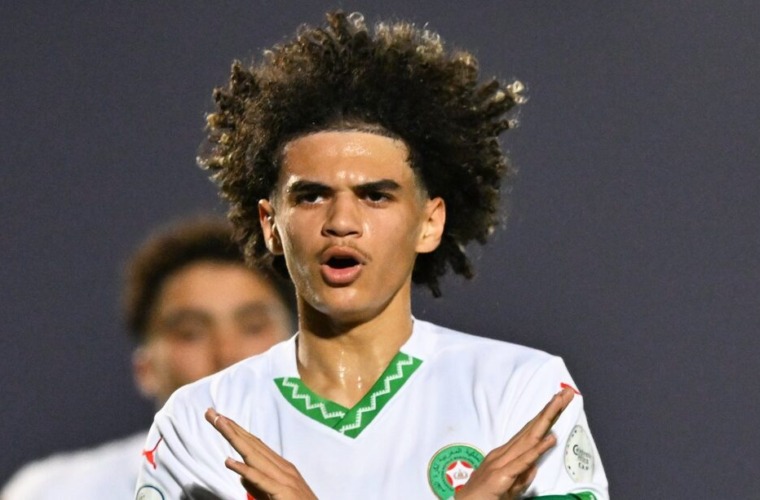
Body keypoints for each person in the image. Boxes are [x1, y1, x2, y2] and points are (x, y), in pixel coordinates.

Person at [136, 11, 609, 500]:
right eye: (311, 196)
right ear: (270, 225)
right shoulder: (198, 426)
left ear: (429, 223)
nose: (342, 221)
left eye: (375, 196)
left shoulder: (523, 393)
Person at [1, 218, 294, 500]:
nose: (227, 354)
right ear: (145, 368)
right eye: (190, 333)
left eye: (253, 327)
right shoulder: (51, 493)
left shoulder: (325, 477)